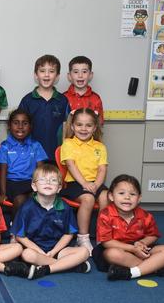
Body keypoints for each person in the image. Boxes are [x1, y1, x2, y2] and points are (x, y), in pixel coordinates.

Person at [94, 174, 164, 281]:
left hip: (139, 246)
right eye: (121, 193)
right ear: (111, 196)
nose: (127, 197)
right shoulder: (105, 215)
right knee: (112, 254)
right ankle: (157, 268)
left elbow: (153, 235)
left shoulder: (145, 216)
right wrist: (132, 249)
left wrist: (142, 243)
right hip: (117, 248)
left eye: (132, 194)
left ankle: (131, 273)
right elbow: (107, 242)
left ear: (139, 198)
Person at [12, 164, 91, 280]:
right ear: (34, 186)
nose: (48, 183)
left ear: (59, 188)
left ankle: (48, 268)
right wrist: (41, 252)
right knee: (26, 255)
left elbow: (68, 233)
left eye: (53, 180)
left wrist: (53, 251)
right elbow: (20, 237)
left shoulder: (65, 207)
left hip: (58, 250)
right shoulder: (26, 208)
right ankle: (69, 266)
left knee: (84, 252)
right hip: (36, 250)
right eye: (43, 180)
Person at [60, 108, 109, 253]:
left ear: (94, 128)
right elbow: (71, 165)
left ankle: (103, 235)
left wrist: (96, 185)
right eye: (79, 125)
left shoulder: (100, 146)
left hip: (95, 182)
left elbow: (102, 169)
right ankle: (83, 237)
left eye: (88, 125)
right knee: (88, 199)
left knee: (106, 196)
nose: (83, 129)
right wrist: (85, 184)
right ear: (73, 126)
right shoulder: (68, 143)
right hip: (75, 183)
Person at [0, 109, 47, 222]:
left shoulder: (36, 145)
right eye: (16, 123)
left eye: (25, 123)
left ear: (30, 126)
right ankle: (15, 227)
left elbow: (41, 170)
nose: (20, 126)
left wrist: (41, 187)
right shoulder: (5, 146)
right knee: (20, 200)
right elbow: (3, 172)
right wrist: (2, 193)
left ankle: (33, 229)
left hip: (31, 182)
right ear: (9, 126)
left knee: (37, 199)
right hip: (12, 183)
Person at [18, 54, 70, 161]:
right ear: (36, 75)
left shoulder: (63, 100)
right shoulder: (27, 100)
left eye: (51, 71)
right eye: (42, 71)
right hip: (32, 156)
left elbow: (68, 128)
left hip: (56, 155)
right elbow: (19, 128)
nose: (47, 75)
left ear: (57, 76)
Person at [63, 56, 104, 125]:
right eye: (76, 72)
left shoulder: (96, 99)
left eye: (84, 72)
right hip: (67, 136)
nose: (80, 75)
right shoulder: (63, 98)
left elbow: (99, 124)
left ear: (90, 75)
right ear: (69, 76)